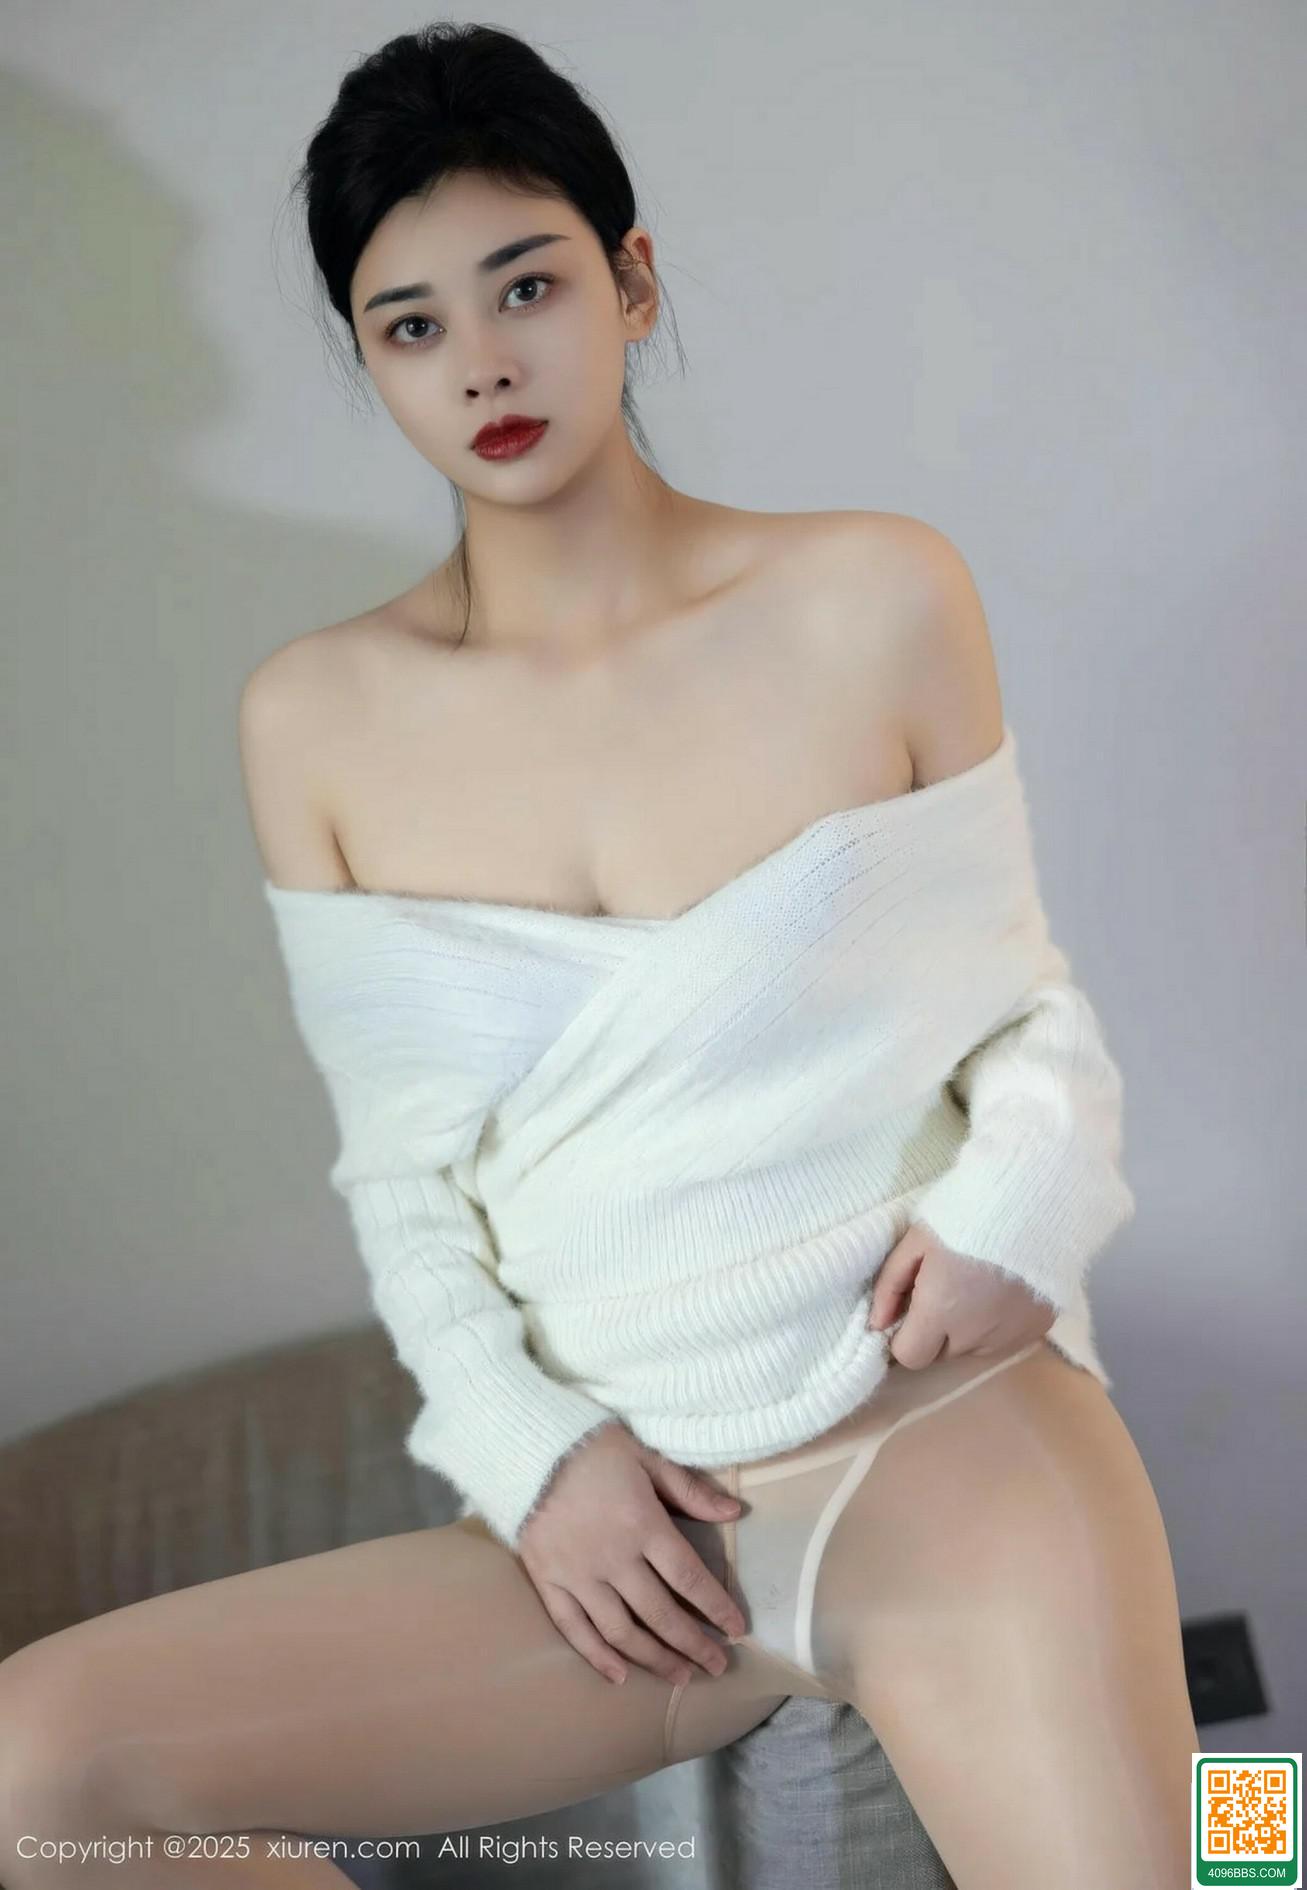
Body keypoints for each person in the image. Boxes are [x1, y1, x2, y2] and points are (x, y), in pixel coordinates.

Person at [0, 23, 1199, 1890]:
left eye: (529, 286)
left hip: (948, 1445)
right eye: (412, 325)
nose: (484, 361)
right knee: (38, 1769)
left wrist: (1019, 1206)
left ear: (631, 283)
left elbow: (1028, 1008)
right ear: (371, 363)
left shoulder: (875, 592)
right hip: (618, 1549)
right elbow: (405, 1181)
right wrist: (535, 1456)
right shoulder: (314, 719)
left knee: (1231, 1856)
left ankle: (1272, 1828)